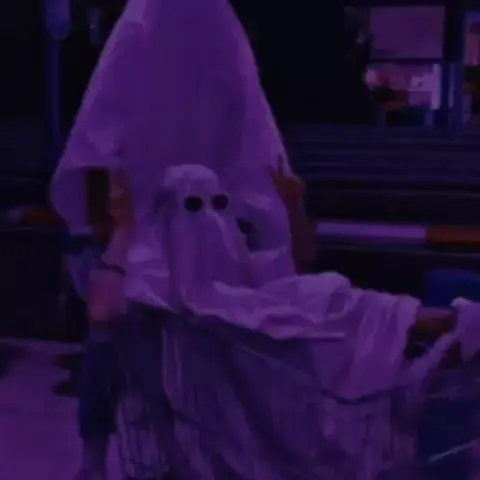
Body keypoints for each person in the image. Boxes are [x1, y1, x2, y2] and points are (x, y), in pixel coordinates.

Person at [50, 0, 478, 478]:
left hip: (235, 293)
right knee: (314, 321)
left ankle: (444, 325)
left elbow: (293, 269)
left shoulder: (227, 237)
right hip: (201, 299)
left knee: (330, 304)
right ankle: (440, 330)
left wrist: (288, 210)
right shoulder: (157, 262)